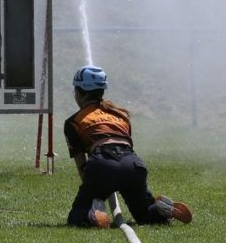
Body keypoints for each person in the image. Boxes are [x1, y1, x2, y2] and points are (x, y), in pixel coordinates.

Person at [64, 65, 192, 228]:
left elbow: (82, 167)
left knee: (77, 217)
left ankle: (92, 215)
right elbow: (125, 145)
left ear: (78, 93)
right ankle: (164, 210)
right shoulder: (121, 115)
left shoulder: (73, 122)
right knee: (146, 215)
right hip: (133, 165)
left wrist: (94, 192)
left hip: (102, 164)